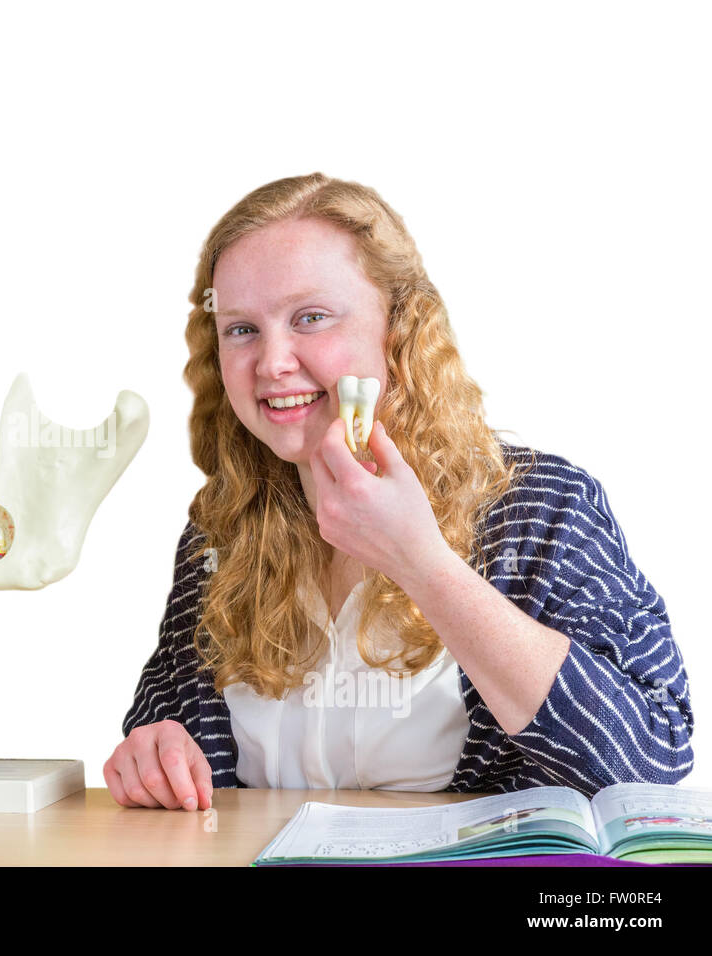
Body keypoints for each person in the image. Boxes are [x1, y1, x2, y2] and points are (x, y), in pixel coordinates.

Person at [106, 173, 693, 810]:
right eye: (242, 329)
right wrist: (155, 750)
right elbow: (167, 733)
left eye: (312, 318)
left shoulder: (541, 507)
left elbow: (647, 760)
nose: (272, 362)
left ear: (399, 327)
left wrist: (422, 562)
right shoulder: (221, 529)